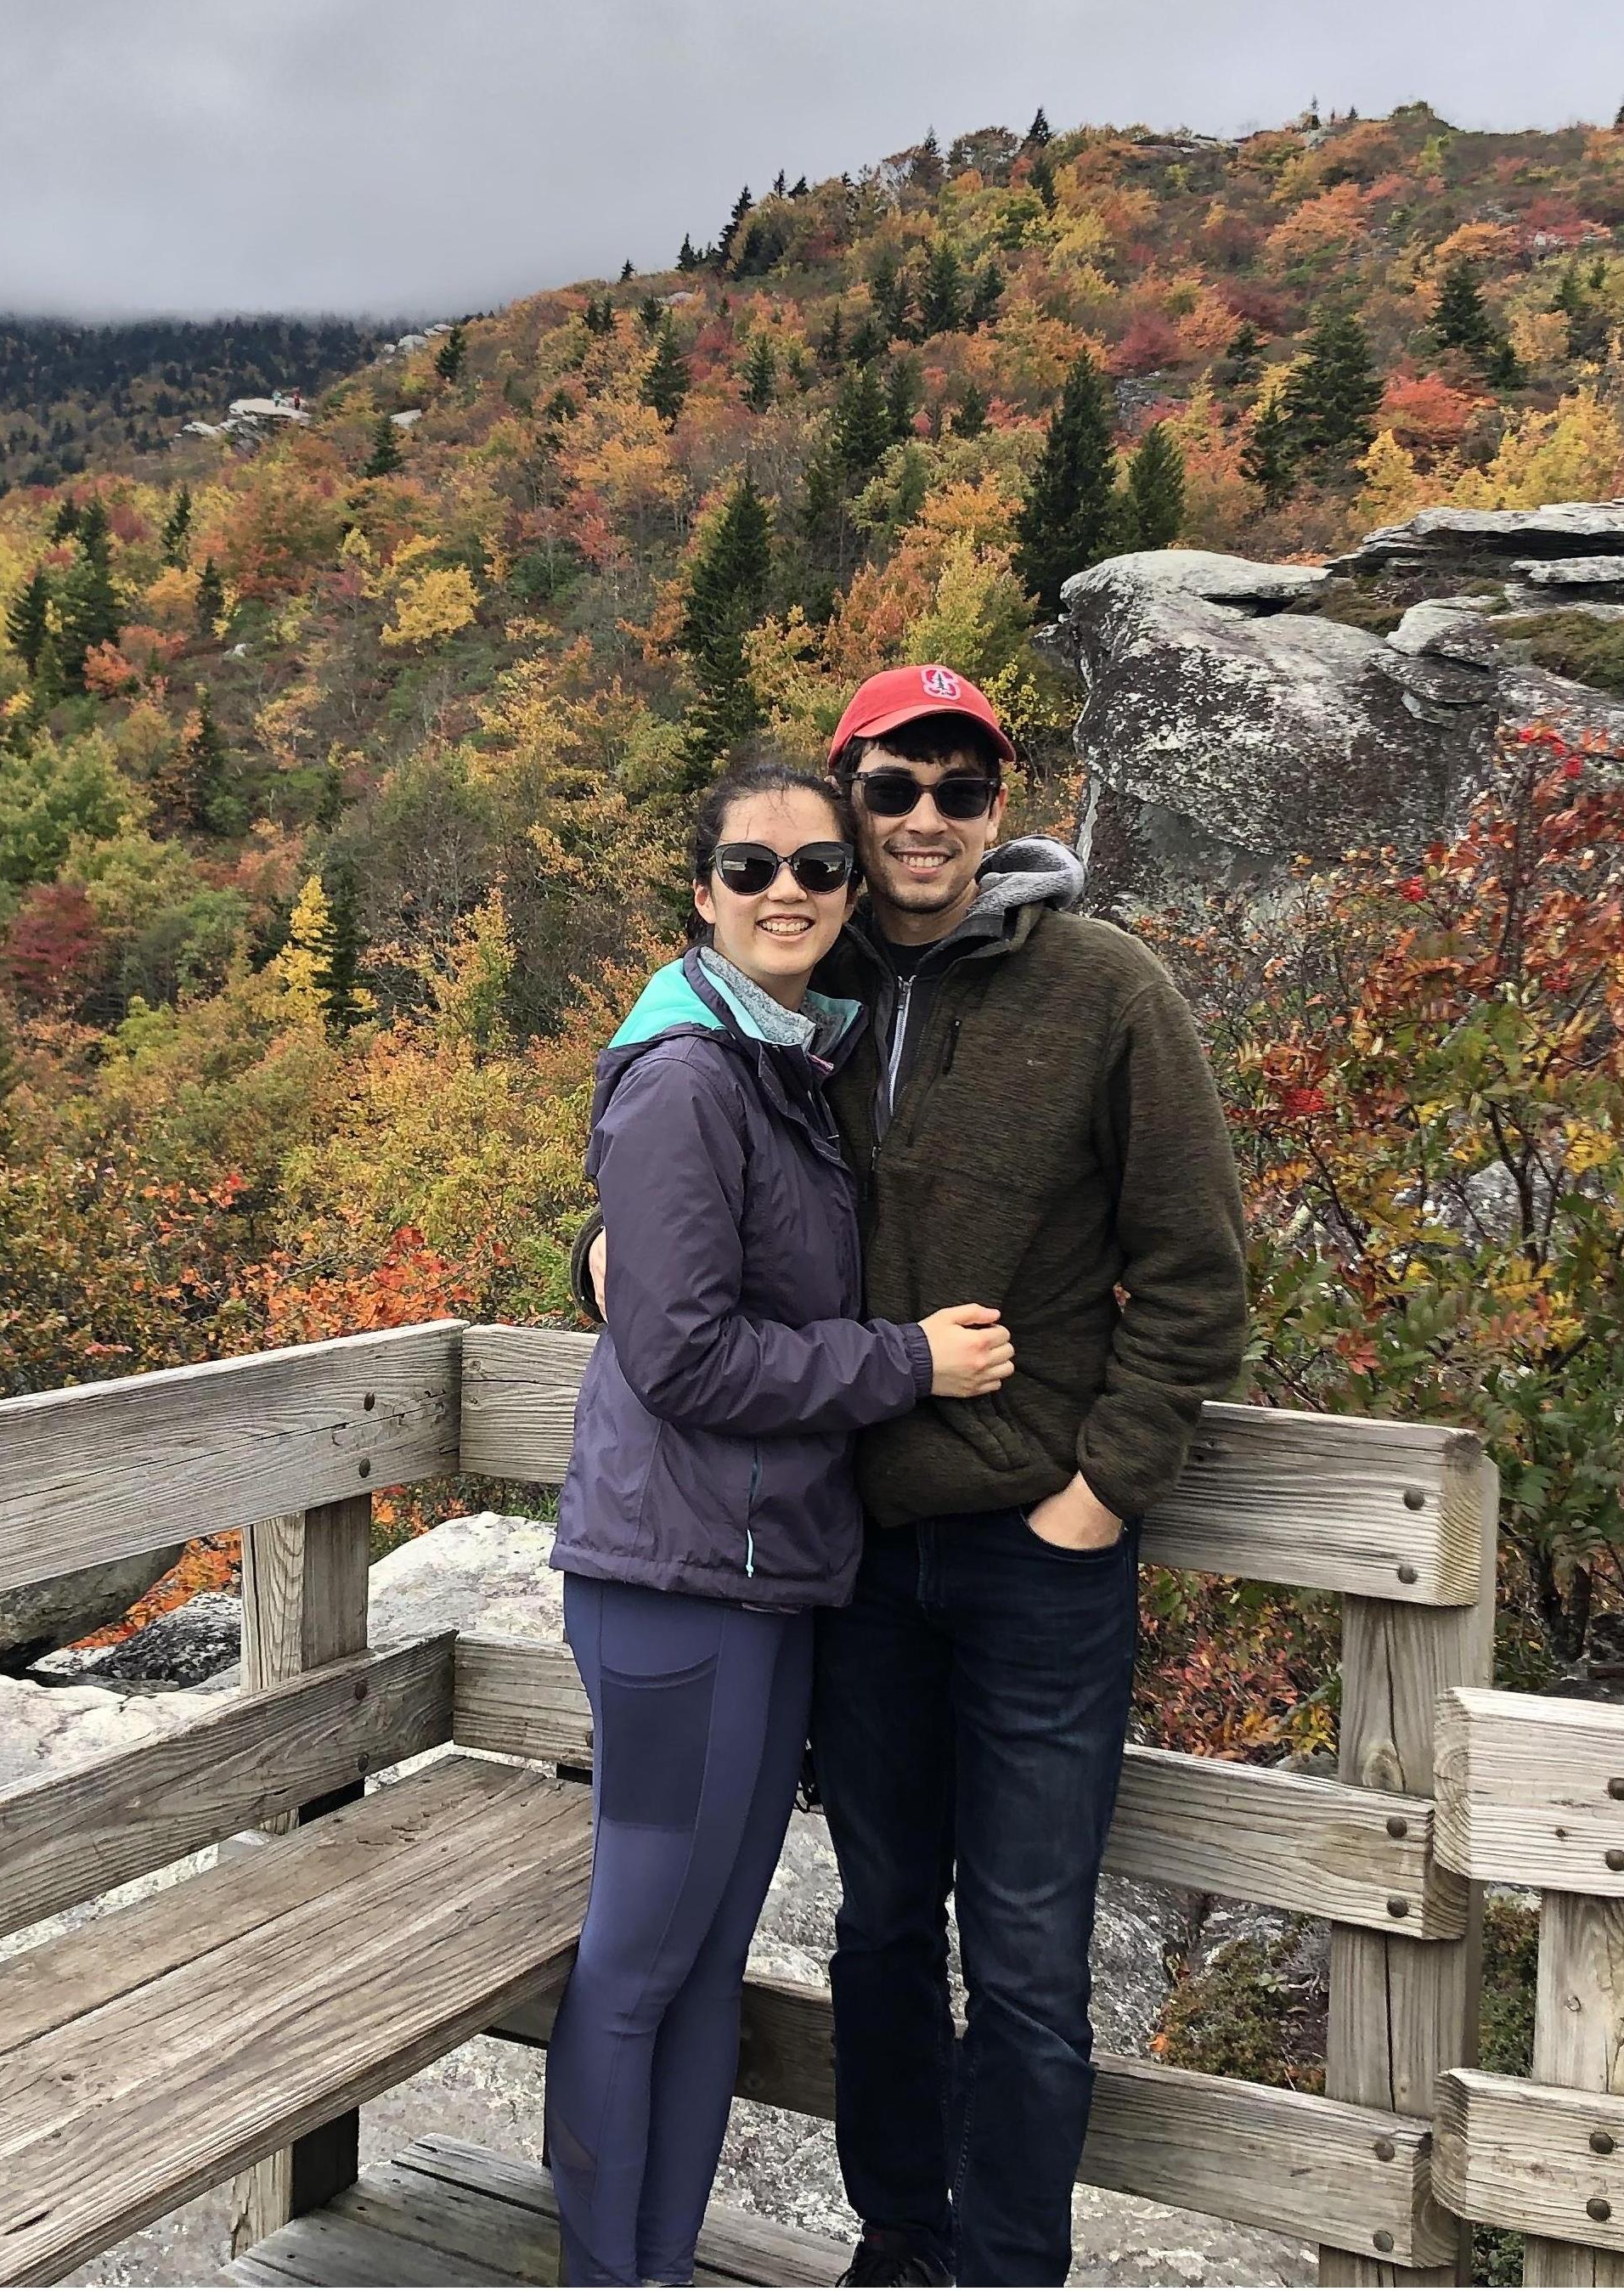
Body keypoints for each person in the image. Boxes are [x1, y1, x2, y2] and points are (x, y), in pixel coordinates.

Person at [580, 669, 1248, 2287]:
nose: (924, 819)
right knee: (880, 1924)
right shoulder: (789, 993)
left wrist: (1100, 1494)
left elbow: (1199, 1271)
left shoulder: (1106, 991)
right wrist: (584, 1257)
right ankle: (900, 2239)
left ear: (1001, 807)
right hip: (855, 1555)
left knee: (1025, 1953)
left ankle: (1008, 2269)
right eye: (892, 790)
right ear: (846, 802)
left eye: (961, 787)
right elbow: (666, 1215)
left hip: (1036, 1555)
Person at [546, 753, 1018, 2291]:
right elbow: (679, 1354)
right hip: (680, 1588)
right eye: (753, 869)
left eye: (820, 867)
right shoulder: (695, 1074)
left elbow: (665, 1287)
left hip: (754, 1582)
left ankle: (658, 2266)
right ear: (703, 891)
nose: (791, 893)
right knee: (637, 1965)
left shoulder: (781, 1061)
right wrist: (910, 1365)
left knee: (694, 1976)